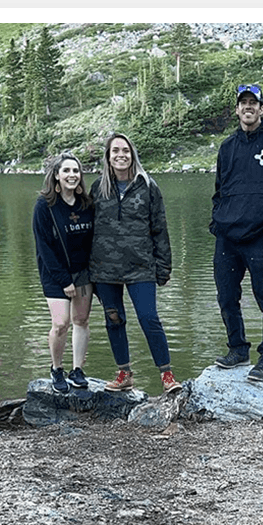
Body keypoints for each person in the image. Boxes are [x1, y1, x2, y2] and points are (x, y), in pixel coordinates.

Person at [210, 84, 263, 382]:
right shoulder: (227, 147)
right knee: (226, 297)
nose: (248, 107)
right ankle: (238, 349)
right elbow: (219, 191)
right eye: (243, 103)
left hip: (261, 240)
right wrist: (217, 223)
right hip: (228, 239)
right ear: (236, 109)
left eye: (253, 103)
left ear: (261, 109)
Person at [89, 132, 181, 394]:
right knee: (114, 319)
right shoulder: (98, 188)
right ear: (107, 157)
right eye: (115, 151)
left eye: (125, 151)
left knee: (149, 318)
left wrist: (164, 267)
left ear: (133, 155)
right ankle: (124, 373)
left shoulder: (148, 186)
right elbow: (87, 230)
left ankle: (166, 375)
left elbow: (160, 229)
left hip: (141, 267)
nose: (121, 155)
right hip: (104, 268)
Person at [33, 151, 95, 394]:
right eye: (66, 171)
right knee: (60, 324)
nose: (72, 175)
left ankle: (77, 370)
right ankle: (57, 369)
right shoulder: (45, 205)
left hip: (83, 273)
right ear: (56, 176)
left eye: (76, 171)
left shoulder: (86, 204)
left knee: (81, 320)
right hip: (55, 272)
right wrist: (63, 280)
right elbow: (44, 247)